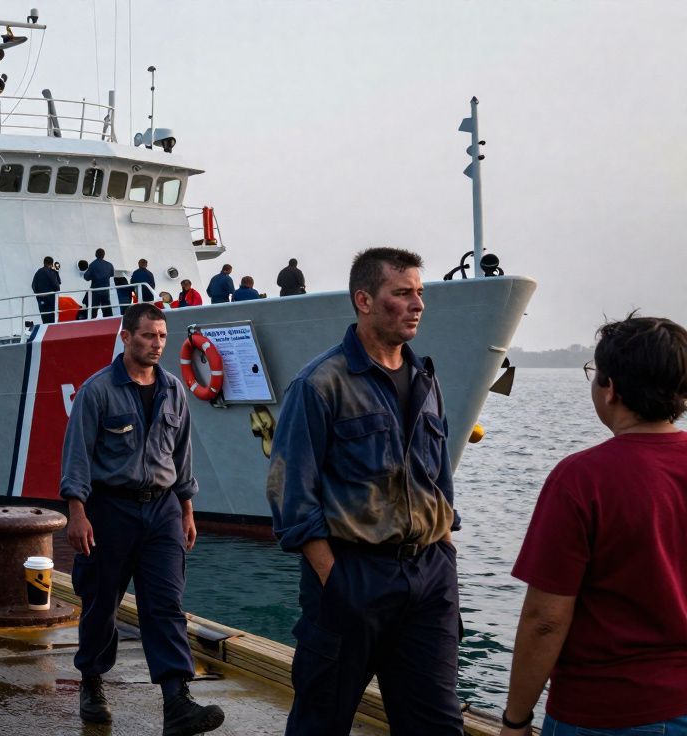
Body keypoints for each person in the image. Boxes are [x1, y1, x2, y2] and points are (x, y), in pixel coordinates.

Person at [266, 247, 461, 735]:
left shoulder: (425, 380)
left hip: (429, 579)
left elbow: (439, 482)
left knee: (437, 724)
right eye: (402, 293)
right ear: (365, 300)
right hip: (354, 575)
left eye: (420, 293)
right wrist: (337, 580)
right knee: (320, 722)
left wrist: (446, 555)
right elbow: (291, 494)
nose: (417, 304)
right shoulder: (320, 384)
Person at [498, 316, 687, 736]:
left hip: (605, 711)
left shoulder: (582, 479)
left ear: (611, 388)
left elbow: (545, 618)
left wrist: (516, 718)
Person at [61, 302, 225, 736]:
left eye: (162, 337)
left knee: (166, 605)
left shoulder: (174, 389)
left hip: (163, 509)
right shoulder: (97, 392)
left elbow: (182, 453)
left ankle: (177, 701)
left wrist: (187, 508)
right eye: (148, 336)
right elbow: (76, 456)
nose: (156, 344)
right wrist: (77, 512)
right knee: (101, 604)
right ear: (126, 337)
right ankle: (92, 682)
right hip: (110, 509)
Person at [84, 248, 115, 318]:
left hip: (95, 291)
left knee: (93, 312)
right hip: (106, 291)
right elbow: (112, 276)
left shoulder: (92, 265)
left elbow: (86, 277)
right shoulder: (109, 265)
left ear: (95, 255)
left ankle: (92, 324)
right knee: (107, 311)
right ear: (104, 255)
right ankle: (109, 324)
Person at [32, 256, 61, 324]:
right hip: (50, 300)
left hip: (40, 299)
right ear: (51, 264)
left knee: (45, 318)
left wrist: (38, 295)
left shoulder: (38, 272)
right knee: (53, 319)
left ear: (44, 263)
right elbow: (57, 286)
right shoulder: (51, 272)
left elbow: (33, 285)